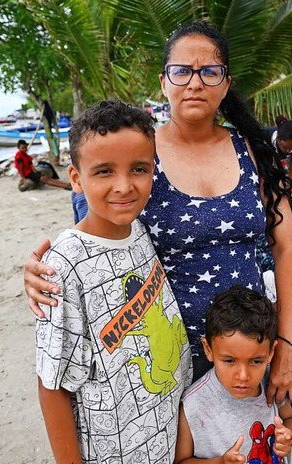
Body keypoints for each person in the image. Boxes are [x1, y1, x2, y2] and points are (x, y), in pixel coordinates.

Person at [23, 21, 292, 404]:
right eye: (182, 71)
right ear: (164, 81)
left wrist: (288, 343)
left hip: (248, 354)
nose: (195, 83)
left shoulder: (252, 150)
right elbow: (94, 241)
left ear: (225, 83)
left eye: (209, 71)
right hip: (165, 359)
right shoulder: (139, 156)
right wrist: (46, 273)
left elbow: (287, 248)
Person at [35, 100, 193, 463]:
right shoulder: (63, 266)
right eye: (104, 171)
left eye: (138, 169)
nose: (124, 187)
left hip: (165, 435)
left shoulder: (138, 229)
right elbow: (52, 384)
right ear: (76, 178)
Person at [176, 285, 292, 463]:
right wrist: (220, 462)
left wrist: (288, 435)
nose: (243, 376)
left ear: (271, 353)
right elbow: (181, 461)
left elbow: (289, 419)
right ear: (208, 349)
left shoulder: (270, 383)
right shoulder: (193, 405)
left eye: (256, 361)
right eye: (229, 361)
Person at [269, 116, 292, 196]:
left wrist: (291, 196)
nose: (288, 151)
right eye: (285, 147)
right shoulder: (265, 138)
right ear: (278, 138)